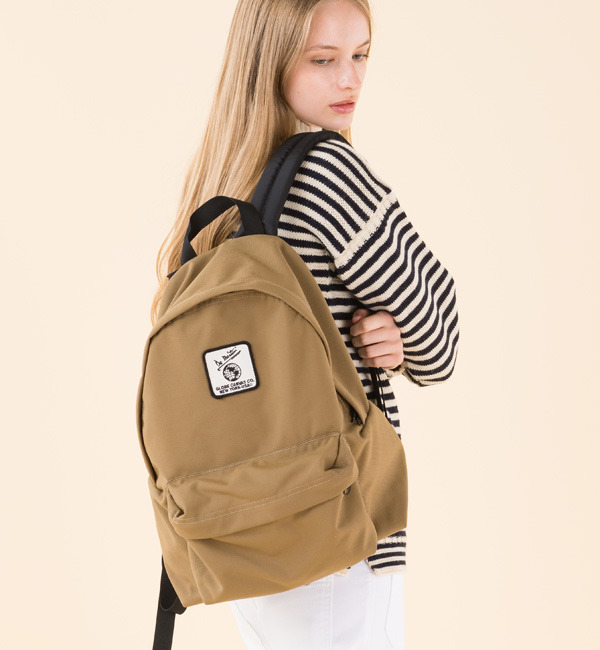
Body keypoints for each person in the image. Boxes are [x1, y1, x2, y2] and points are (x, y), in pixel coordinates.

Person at [150, 0, 459, 647]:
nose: (350, 79)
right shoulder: (329, 171)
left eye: (361, 54)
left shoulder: (223, 183)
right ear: (270, 62)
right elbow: (439, 341)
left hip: (241, 538)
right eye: (323, 60)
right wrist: (403, 343)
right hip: (336, 527)